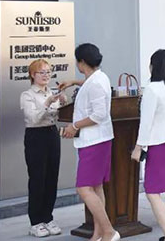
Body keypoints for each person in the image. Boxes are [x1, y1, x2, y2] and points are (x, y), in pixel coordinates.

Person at [60, 43, 119, 241]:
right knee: (95, 187)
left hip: (94, 142)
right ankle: (98, 233)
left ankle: (109, 231)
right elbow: (89, 84)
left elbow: (99, 115)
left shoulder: (95, 83)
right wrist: (73, 82)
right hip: (97, 140)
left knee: (84, 188)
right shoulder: (98, 78)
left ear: (82, 62)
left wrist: (74, 126)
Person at [131, 50, 165, 241]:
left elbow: (146, 122)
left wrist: (139, 147)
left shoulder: (152, 89)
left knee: (153, 191)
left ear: (153, 66)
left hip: (159, 143)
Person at [20, 59, 66, 238]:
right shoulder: (27, 95)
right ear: (33, 75)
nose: (46, 75)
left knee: (52, 177)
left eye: (48, 72)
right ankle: (36, 221)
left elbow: (58, 114)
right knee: (37, 178)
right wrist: (47, 103)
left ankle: (48, 217)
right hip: (35, 136)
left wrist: (62, 101)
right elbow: (32, 118)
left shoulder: (51, 92)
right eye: (42, 72)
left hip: (52, 134)